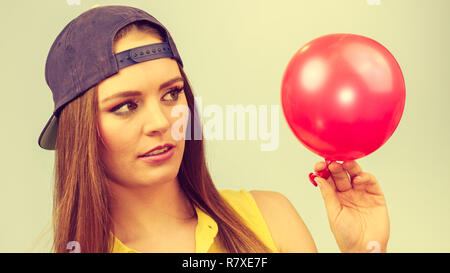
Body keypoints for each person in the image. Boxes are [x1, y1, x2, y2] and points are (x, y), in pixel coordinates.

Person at [38, 5, 390, 253]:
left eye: (172, 94)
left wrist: (362, 250)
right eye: (126, 106)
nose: (163, 122)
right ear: (80, 132)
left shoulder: (270, 219)